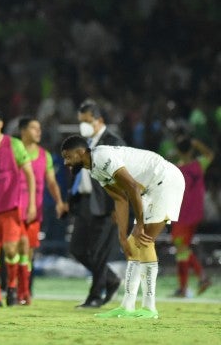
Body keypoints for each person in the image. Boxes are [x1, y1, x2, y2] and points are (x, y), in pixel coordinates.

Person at [61, 135, 185, 319]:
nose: (66, 162)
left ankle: (149, 308)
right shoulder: (94, 169)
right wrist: (121, 237)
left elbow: (133, 188)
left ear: (81, 152)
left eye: (68, 157)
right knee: (133, 244)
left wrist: (140, 225)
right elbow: (120, 199)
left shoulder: (102, 156)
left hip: (165, 181)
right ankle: (127, 306)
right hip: (150, 187)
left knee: (144, 242)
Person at [67, 99, 125, 308]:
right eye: (80, 122)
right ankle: (110, 279)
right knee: (77, 248)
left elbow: (122, 178)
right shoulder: (85, 144)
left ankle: (95, 296)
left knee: (99, 251)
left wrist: (119, 206)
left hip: (106, 205)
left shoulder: (113, 141)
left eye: (87, 121)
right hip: (84, 202)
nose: (83, 126)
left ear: (99, 120)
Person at [0, 106, 36, 307]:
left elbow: (29, 175)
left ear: (0, 124)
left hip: (11, 208)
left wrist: (30, 204)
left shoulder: (14, 145)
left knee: (11, 250)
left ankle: (12, 286)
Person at [16, 117, 67, 305]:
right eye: (34, 128)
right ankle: (12, 289)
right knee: (12, 251)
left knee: (28, 253)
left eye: (39, 129)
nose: (38, 132)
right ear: (23, 130)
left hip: (33, 211)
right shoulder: (12, 150)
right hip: (11, 209)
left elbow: (51, 182)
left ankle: (25, 291)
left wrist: (59, 201)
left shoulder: (44, 155)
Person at [172, 136, 214, 297]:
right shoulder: (198, 165)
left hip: (181, 214)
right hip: (195, 213)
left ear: (178, 150)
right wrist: (198, 143)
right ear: (191, 149)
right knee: (182, 250)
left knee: (181, 248)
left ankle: (202, 277)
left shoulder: (176, 169)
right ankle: (182, 288)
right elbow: (210, 154)